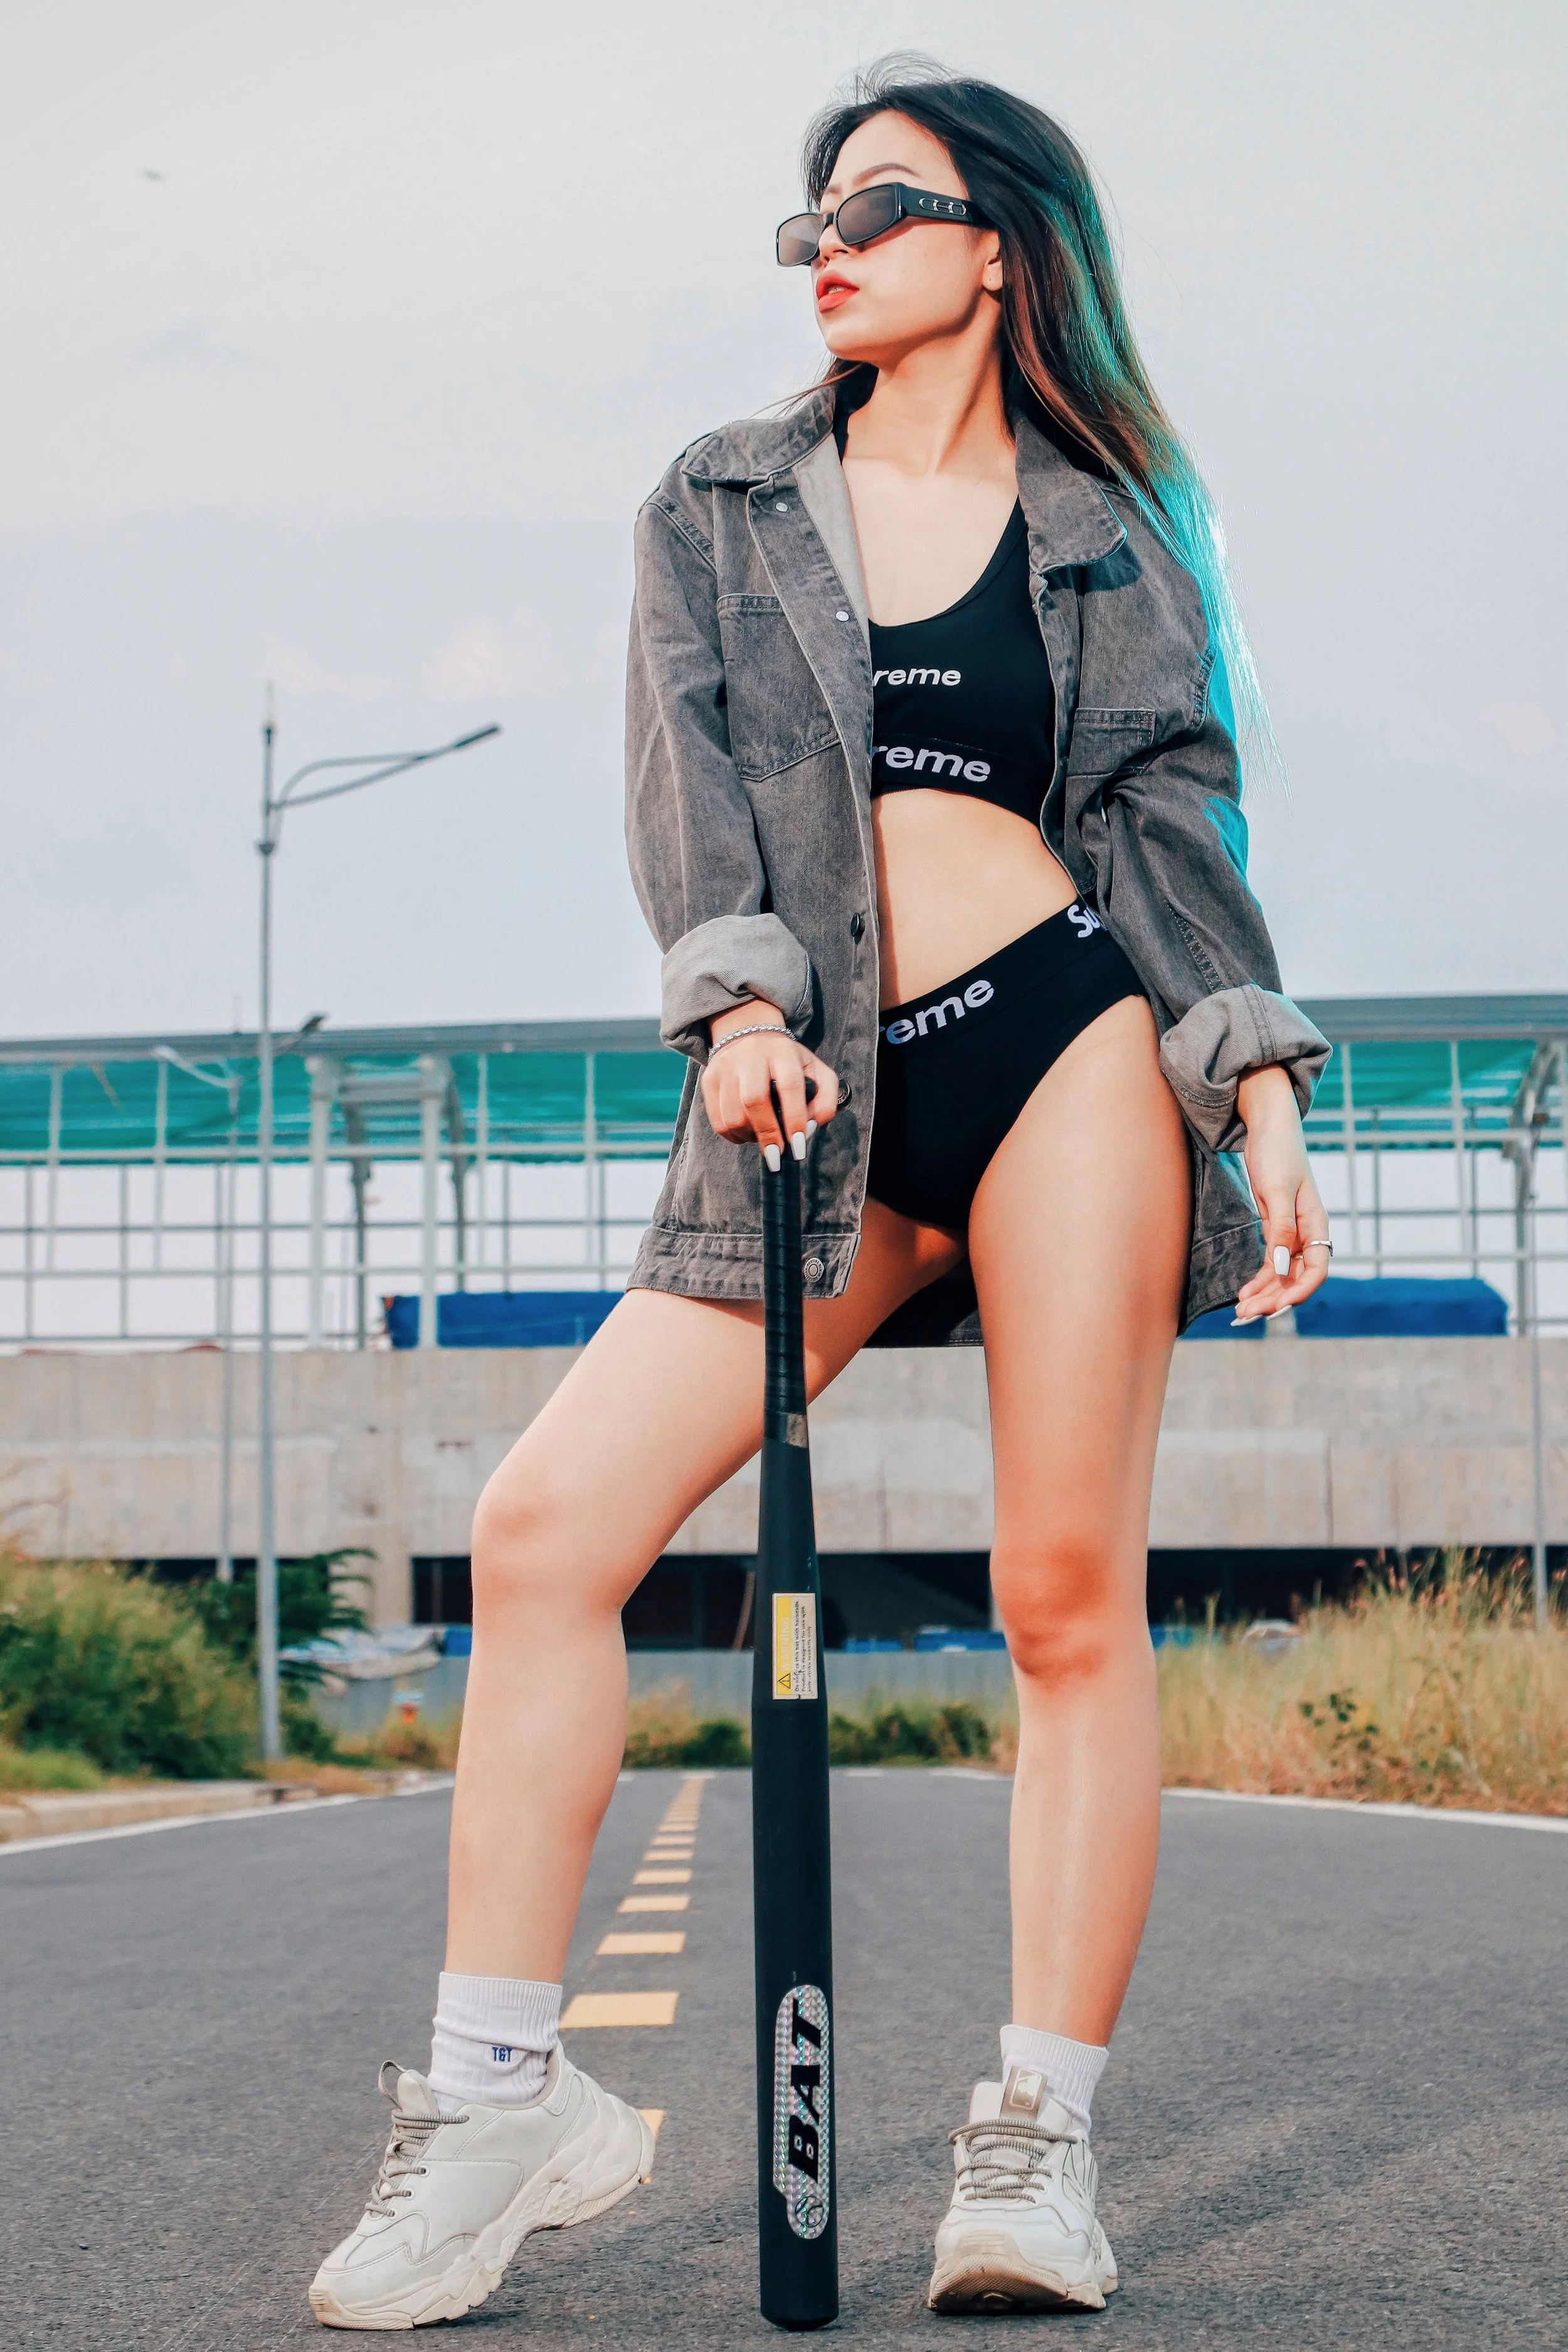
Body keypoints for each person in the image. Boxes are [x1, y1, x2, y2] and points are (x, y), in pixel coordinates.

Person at [309, 57, 1332, 2329]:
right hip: (806, 1088)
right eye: (808, 216)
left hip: (1064, 1051)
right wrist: (730, 1012)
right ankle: (500, 2100)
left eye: (879, 203)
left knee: (1064, 1592)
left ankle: (1034, 2139)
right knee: (545, 1533)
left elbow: (1168, 827)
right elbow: (695, 798)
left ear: (1001, 248)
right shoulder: (721, 500)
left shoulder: (1105, 530)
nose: (828, 243)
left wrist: (1247, 1080)